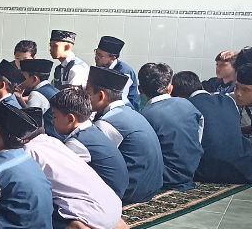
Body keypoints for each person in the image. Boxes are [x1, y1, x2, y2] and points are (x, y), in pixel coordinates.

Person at [20, 107, 128, 229]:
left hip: (96, 216)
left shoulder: (28, 151)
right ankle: (108, 220)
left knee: (36, 207)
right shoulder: (53, 142)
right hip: (114, 206)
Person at [88, 66, 164, 204]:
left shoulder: (107, 123)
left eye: (87, 93)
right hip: (151, 187)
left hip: (131, 192)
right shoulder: (132, 113)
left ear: (101, 96)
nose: (85, 98)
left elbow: (92, 160)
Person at [171, 71, 252, 184]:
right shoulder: (228, 100)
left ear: (179, 96)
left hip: (210, 171)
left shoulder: (186, 106)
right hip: (242, 169)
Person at [51, 86, 130, 198]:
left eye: (55, 117)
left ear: (70, 119)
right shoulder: (92, 130)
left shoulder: (77, 144)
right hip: (117, 189)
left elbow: (61, 174)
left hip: (107, 197)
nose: (52, 121)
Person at [138, 63, 204, 191]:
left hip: (163, 178)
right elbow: (198, 137)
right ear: (170, 88)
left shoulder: (144, 116)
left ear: (140, 90)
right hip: (191, 171)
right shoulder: (188, 105)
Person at [93, 36, 141, 110]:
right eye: (96, 53)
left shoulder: (124, 72)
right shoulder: (101, 66)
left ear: (113, 57)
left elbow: (120, 99)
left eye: (100, 55)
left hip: (126, 109)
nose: (96, 57)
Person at [17, 58, 61, 138]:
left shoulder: (36, 94)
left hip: (49, 138)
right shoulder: (53, 89)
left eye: (23, 76)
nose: (20, 79)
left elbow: (29, 124)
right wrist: (20, 98)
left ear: (34, 79)